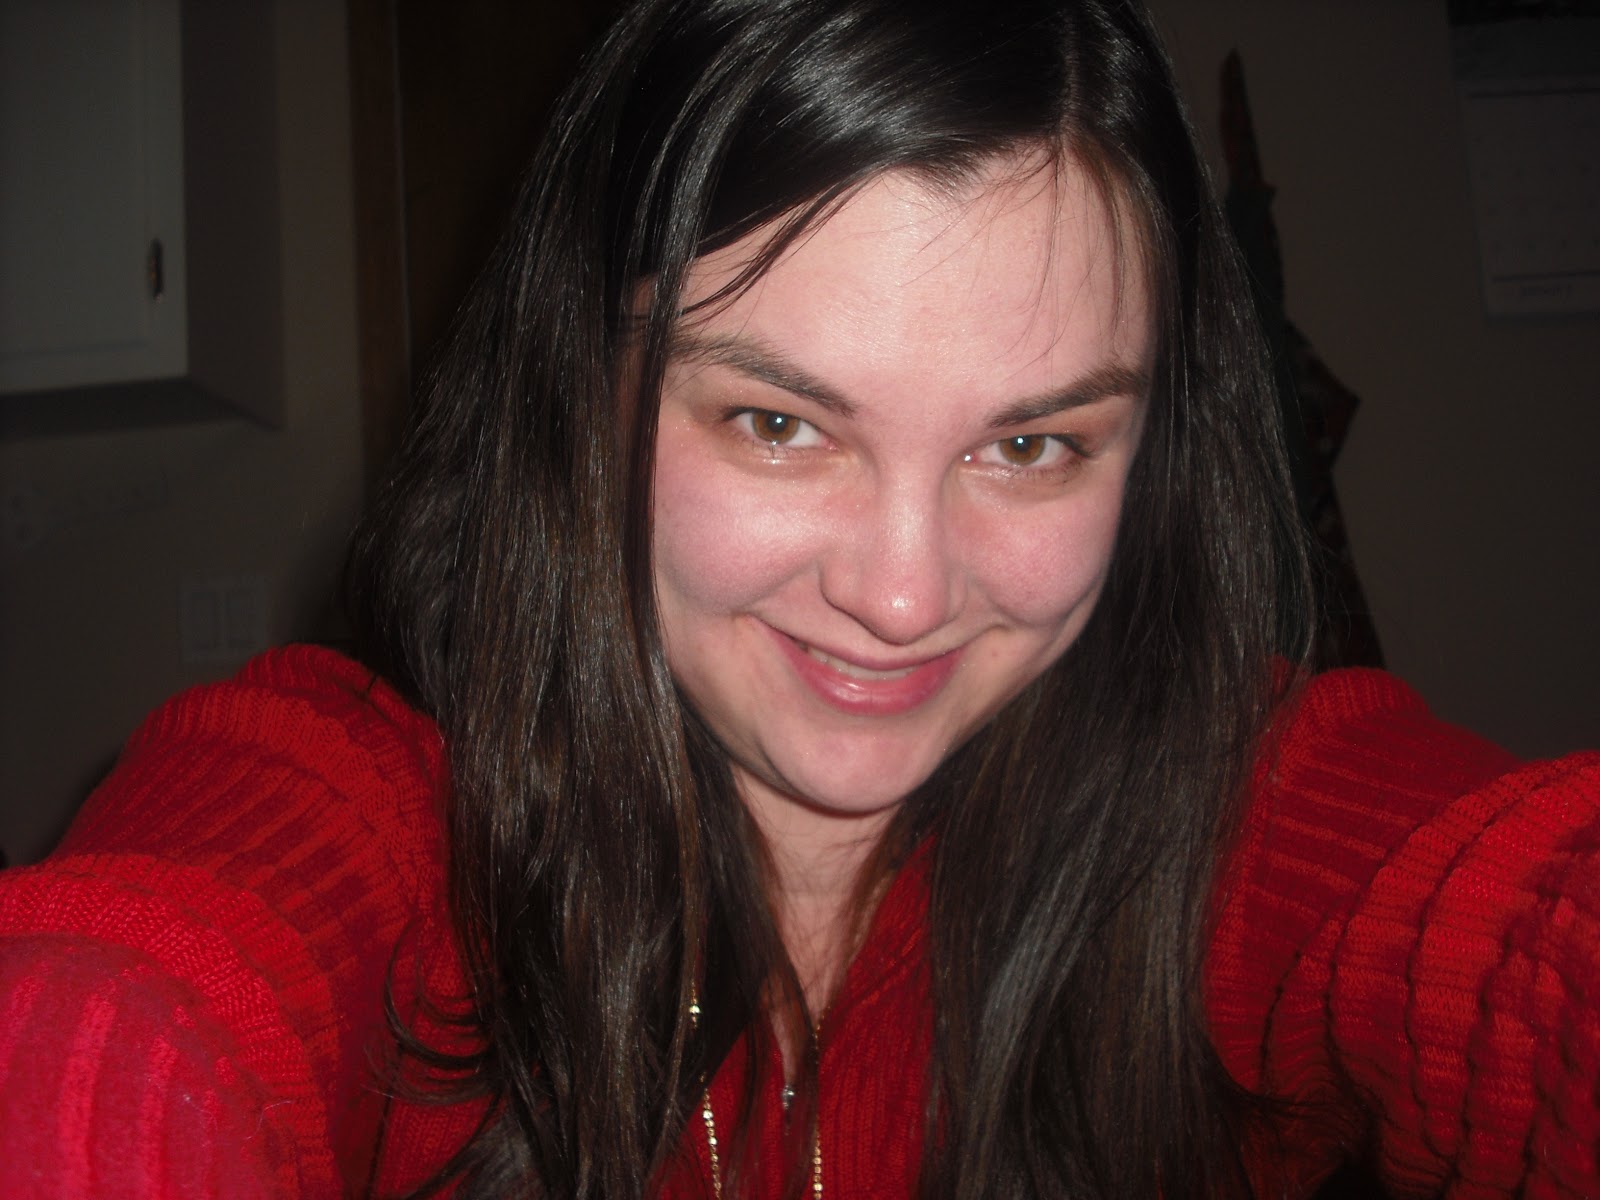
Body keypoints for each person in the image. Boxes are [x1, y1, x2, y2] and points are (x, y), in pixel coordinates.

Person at [1, 0, 1597, 1196]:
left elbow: (1521, 928)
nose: (901, 594)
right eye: (777, 423)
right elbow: (112, 1021)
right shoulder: (370, 798)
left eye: (1031, 445)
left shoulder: (1233, 808)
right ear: (583, 396)